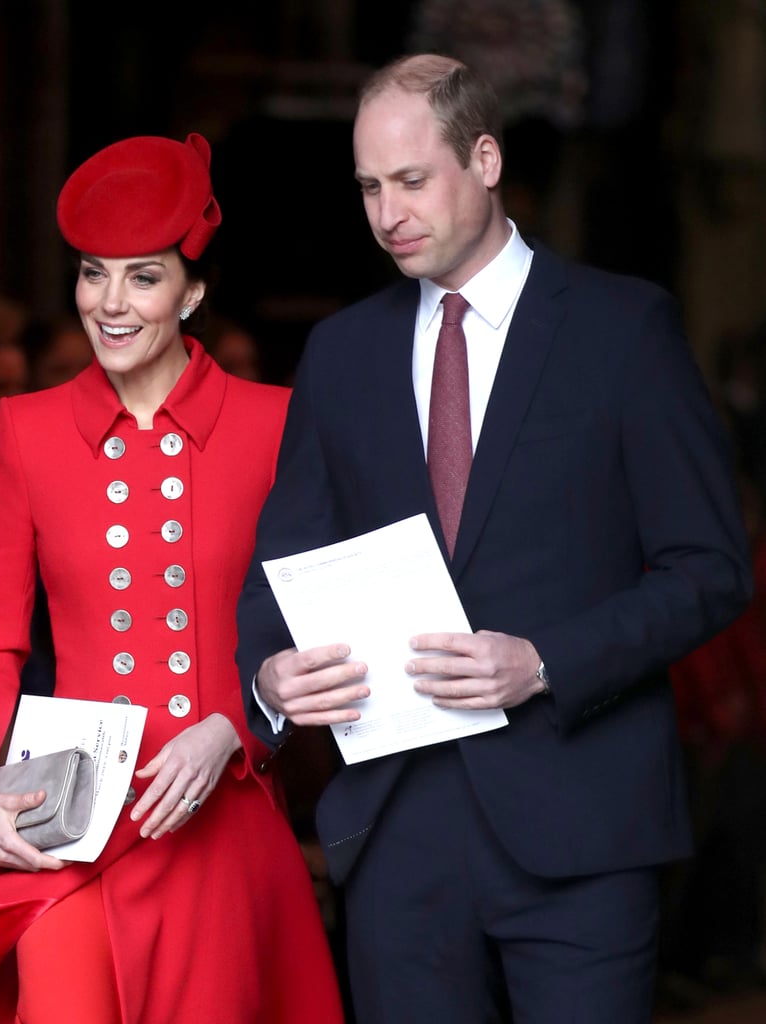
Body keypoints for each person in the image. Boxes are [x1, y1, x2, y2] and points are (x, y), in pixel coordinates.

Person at [235, 54, 753, 1024]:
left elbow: (712, 569)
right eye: (369, 187)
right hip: (398, 837)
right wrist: (269, 679)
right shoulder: (342, 352)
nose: (388, 212)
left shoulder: (625, 329)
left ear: (484, 157)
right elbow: (281, 565)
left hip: (586, 825)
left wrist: (547, 660)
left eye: (411, 180)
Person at [0, 133, 344, 1024]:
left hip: (221, 820)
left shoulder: (276, 426)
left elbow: (316, 625)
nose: (111, 304)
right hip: (67, 829)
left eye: (143, 276)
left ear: (193, 290)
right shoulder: (24, 431)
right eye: (94, 274)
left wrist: (238, 729)